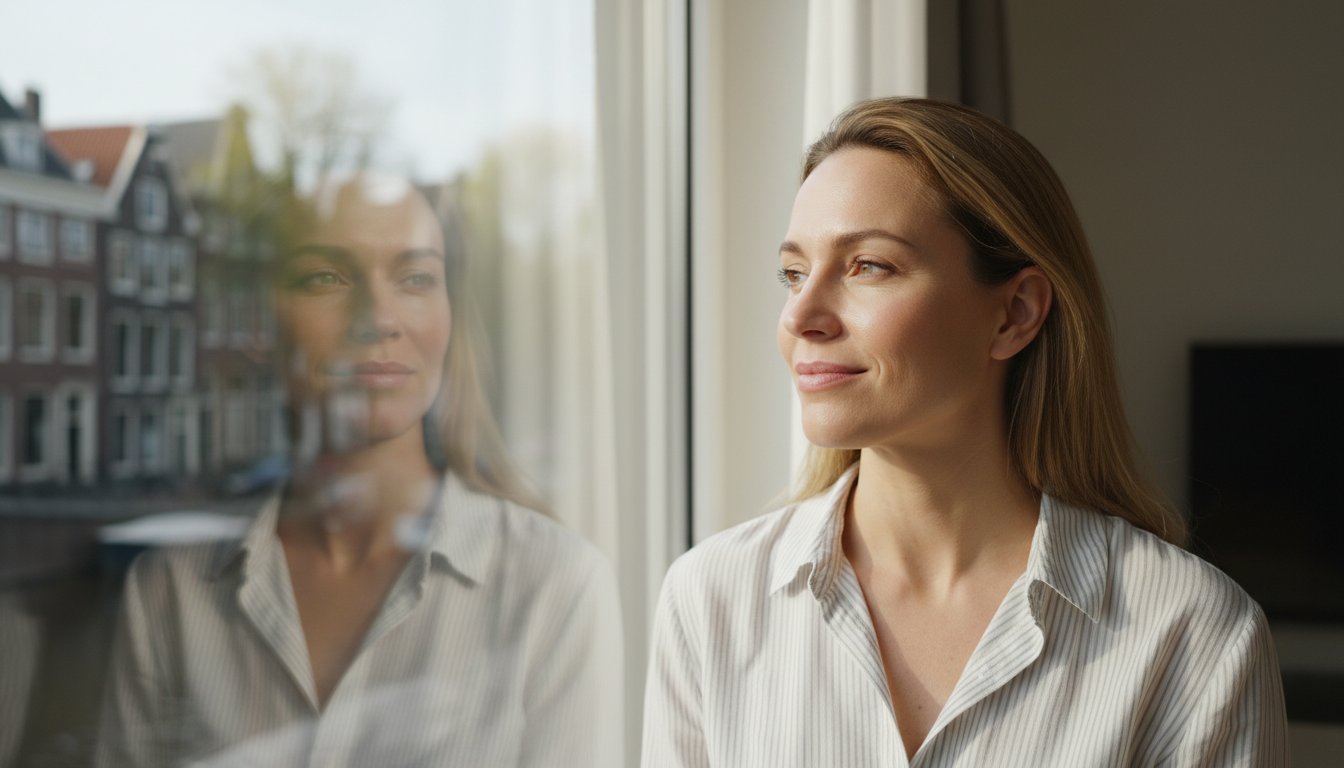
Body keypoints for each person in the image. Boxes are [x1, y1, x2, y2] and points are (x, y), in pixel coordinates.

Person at [641, 98, 1288, 767]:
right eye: (794, 273)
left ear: (1015, 314)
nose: (800, 316)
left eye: (869, 265)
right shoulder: (711, 601)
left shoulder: (1195, 636)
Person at [97, 174, 622, 767]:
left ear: (449, 317)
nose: (377, 317)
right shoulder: (168, 595)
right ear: (266, 322)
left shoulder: (554, 586)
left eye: (416, 278)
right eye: (326, 278)